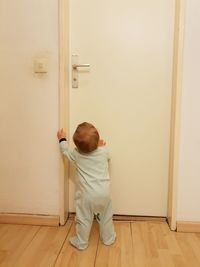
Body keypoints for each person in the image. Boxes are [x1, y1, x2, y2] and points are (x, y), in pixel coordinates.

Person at [57, 122, 116, 250]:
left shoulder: (77, 154)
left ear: (78, 146)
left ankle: (81, 242)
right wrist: (100, 147)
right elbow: (109, 157)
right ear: (97, 142)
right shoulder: (104, 152)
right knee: (106, 217)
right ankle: (108, 238)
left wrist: (62, 139)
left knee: (83, 219)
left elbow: (65, 152)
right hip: (104, 194)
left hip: (87, 197)